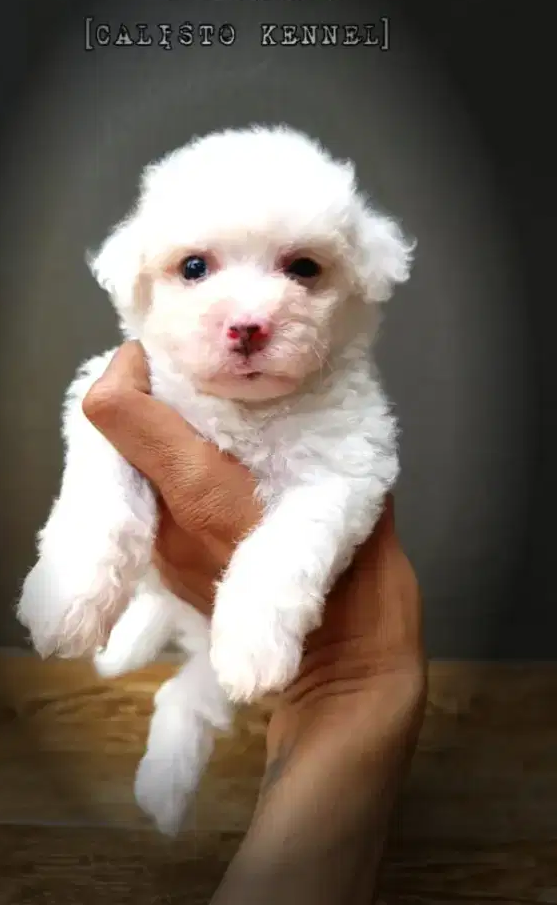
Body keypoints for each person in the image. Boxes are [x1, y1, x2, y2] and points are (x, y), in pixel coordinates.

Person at [82, 341, 427, 905]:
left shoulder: (337, 402)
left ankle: (184, 713)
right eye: (195, 267)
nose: (249, 317)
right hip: (185, 599)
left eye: (302, 269)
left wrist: (356, 674)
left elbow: (342, 482)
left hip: (257, 609)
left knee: (222, 660)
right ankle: (182, 707)